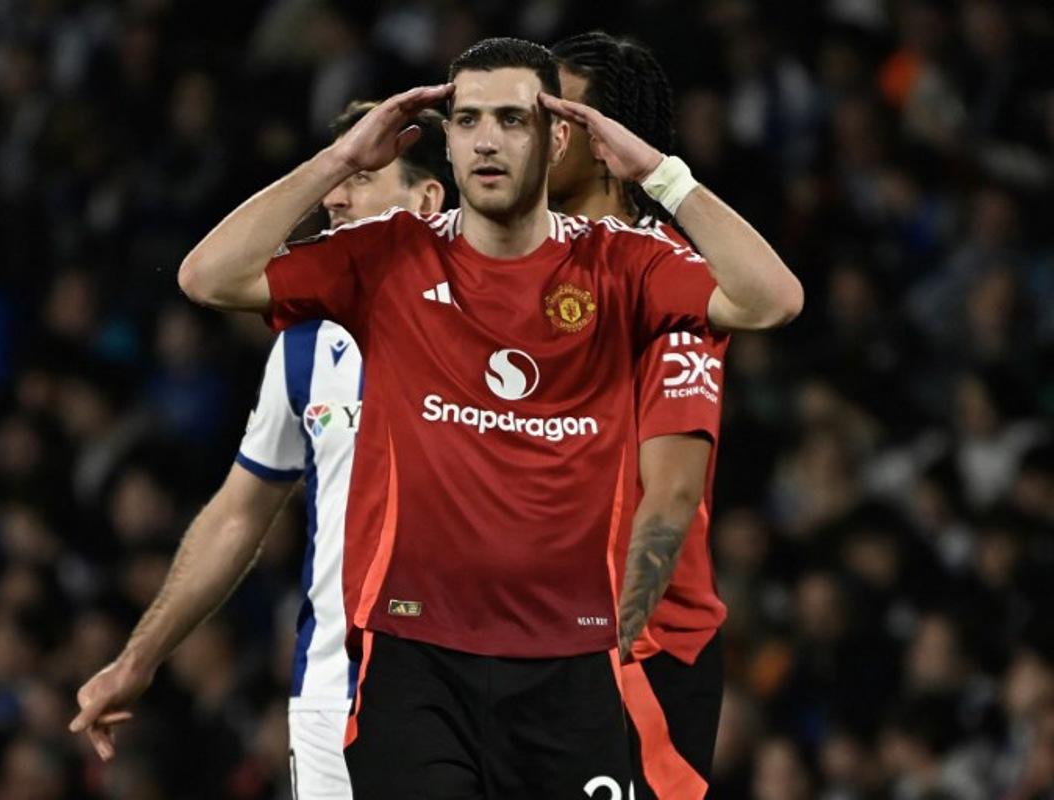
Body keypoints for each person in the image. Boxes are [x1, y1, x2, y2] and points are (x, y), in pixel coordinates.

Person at [168, 36, 800, 797]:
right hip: (415, 660)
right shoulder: (388, 256)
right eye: (467, 120)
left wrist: (661, 175)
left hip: (571, 666)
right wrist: (338, 162)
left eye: (512, 118)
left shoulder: (619, 263)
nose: (488, 139)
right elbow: (207, 276)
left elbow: (773, 298)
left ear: (559, 136)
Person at [68, 103, 450, 800]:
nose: (334, 195)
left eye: (363, 174)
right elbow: (240, 513)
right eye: (339, 172)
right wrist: (138, 657)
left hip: (481, 692)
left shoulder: (505, 329)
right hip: (336, 698)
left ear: (427, 200)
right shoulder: (307, 346)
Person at [551, 32, 729, 800]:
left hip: (640, 658)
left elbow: (673, 495)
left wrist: (609, 645)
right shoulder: (523, 265)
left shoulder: (670, 279)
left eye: (550, 117)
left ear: (603, 144)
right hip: (529, 641)